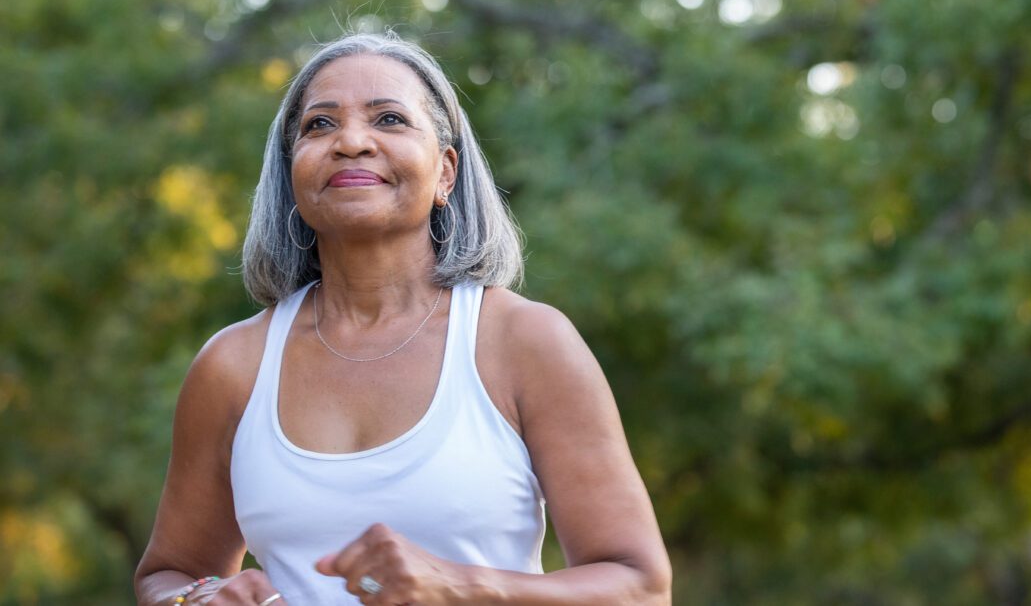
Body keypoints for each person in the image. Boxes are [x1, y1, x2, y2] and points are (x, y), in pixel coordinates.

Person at [134, 31, 671, 605]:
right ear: (291, 174)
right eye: (319, 125)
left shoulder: (523, 342)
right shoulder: (233, 366)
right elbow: (167, 575)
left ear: (445, 173)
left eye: (388, 119)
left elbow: (639, 589)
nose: (351, 141)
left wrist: (460, 586)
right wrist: (200, 600)